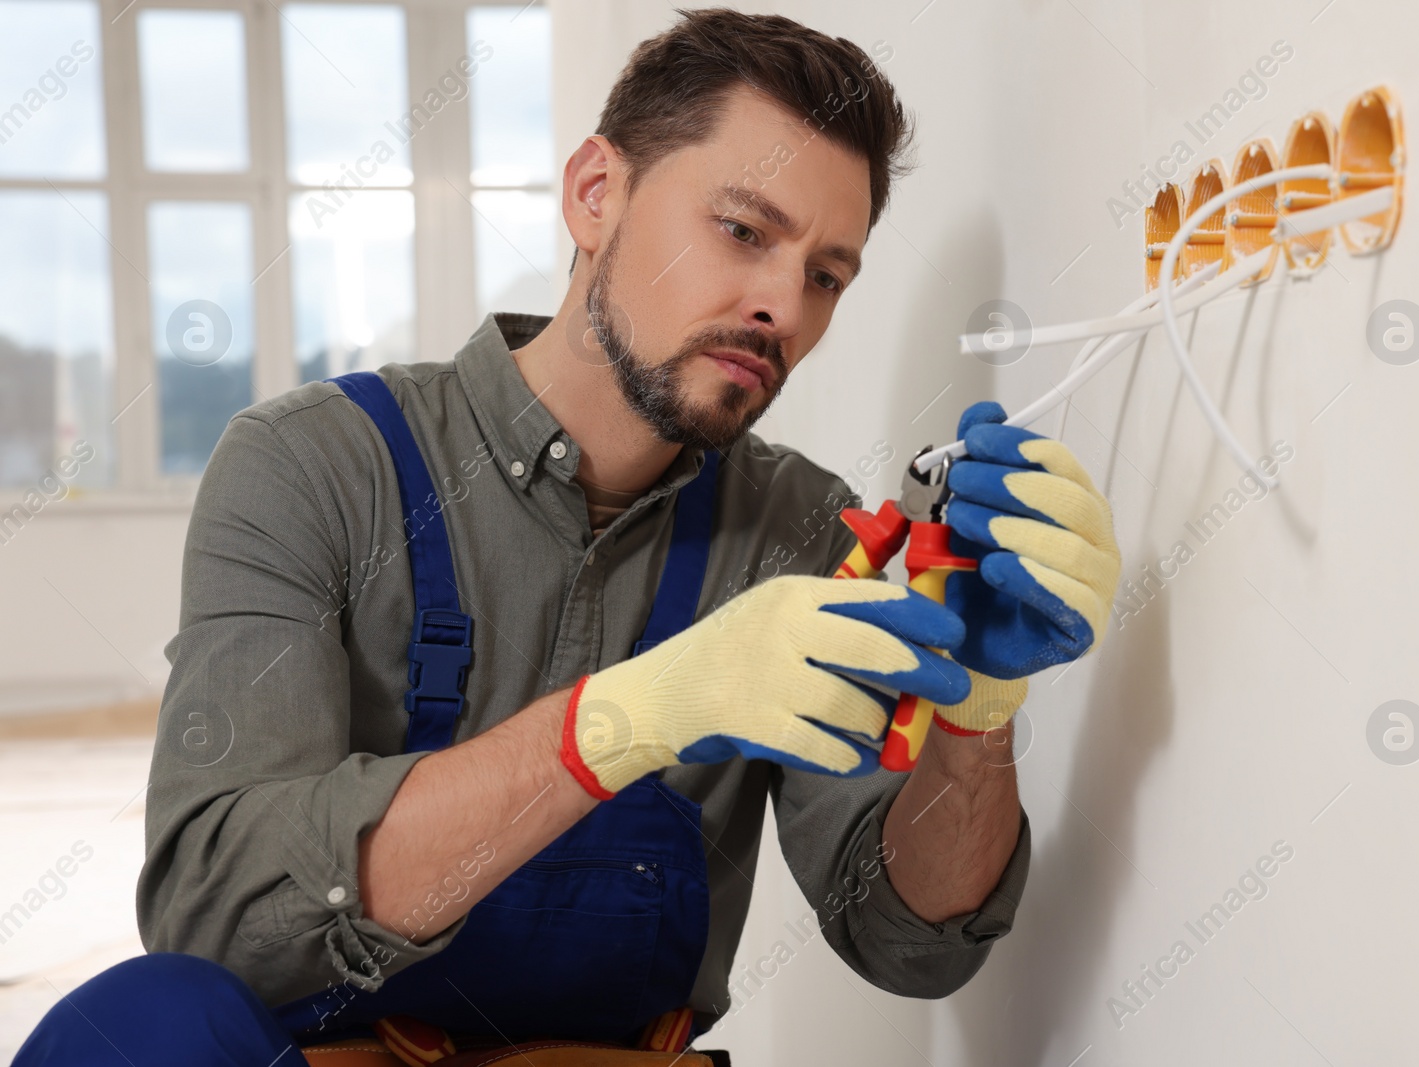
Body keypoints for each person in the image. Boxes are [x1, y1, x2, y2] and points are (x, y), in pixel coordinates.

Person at [16, 9, 1120, 1065]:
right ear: (596, 193)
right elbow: (216, 914)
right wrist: (623, 722)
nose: (785, 304)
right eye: (741, 230)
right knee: (138, 1028)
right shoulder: (312, 466)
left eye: (826, 274)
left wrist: (975, 714)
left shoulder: (807, 535)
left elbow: (906, 937)